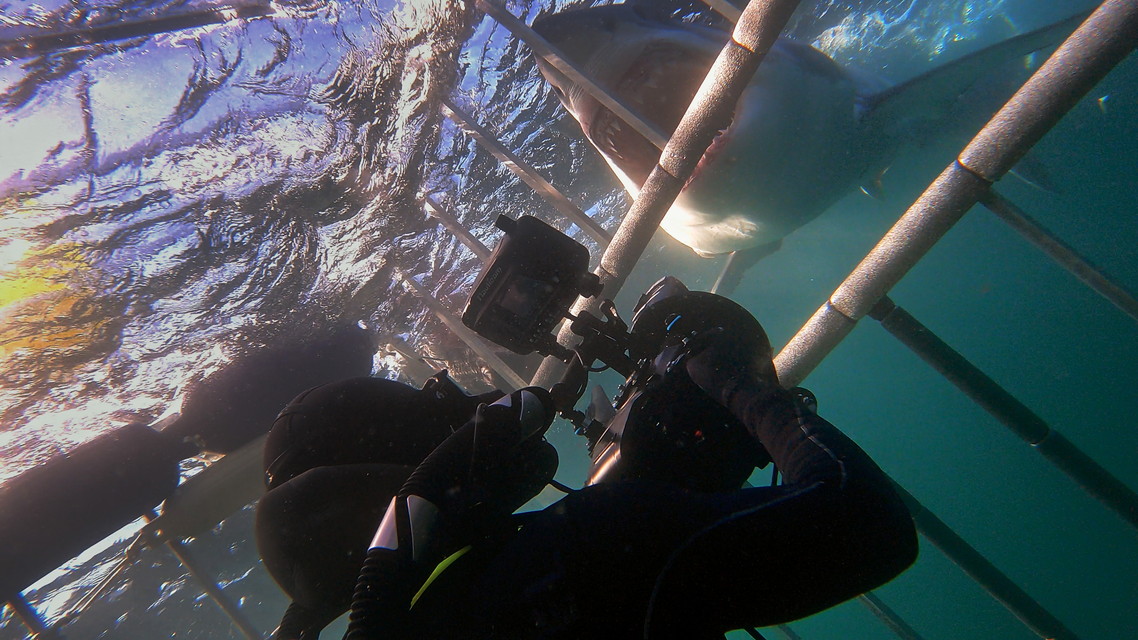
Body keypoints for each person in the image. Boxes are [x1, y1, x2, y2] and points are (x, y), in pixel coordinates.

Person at [256, 298, 918, 639]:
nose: (479, 424)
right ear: (427, 469)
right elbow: (864, 522)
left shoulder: (438, 618)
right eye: (449, 428)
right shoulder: (573, 553)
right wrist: (728, 376)